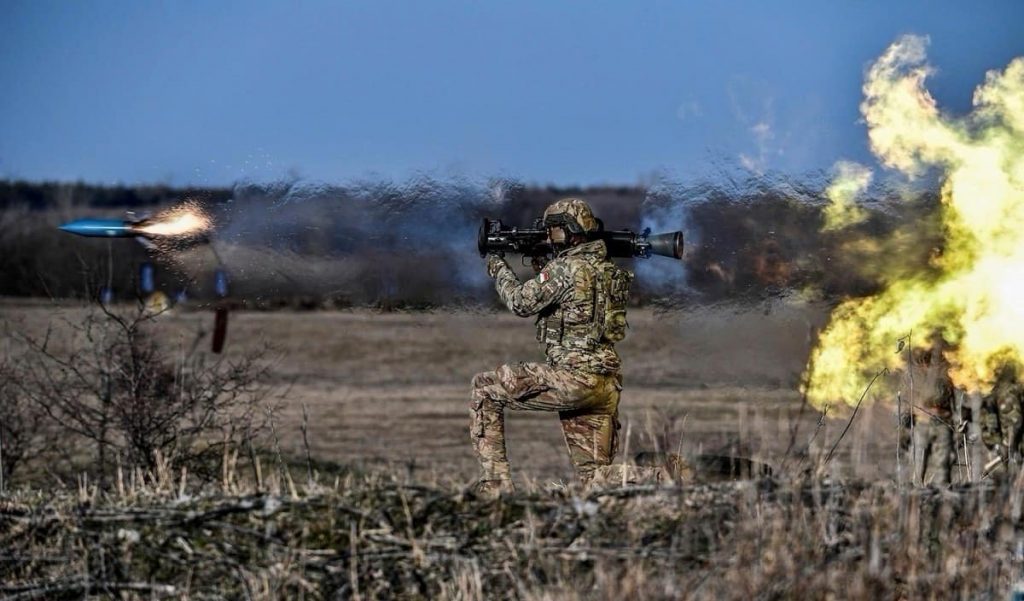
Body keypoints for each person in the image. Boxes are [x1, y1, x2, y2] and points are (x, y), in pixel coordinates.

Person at [470, 198, 633, 496]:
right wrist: (542, 262)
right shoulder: (606, 269)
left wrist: (497, 264)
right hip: (604, 384)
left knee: (484, 389)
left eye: (553, 232)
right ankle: (671, 476)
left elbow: (520, 302)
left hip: (573, 380)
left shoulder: (566, 269)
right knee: (595, 481)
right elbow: (576, 304)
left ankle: (494, 488)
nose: (549, 238)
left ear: (567, 232)